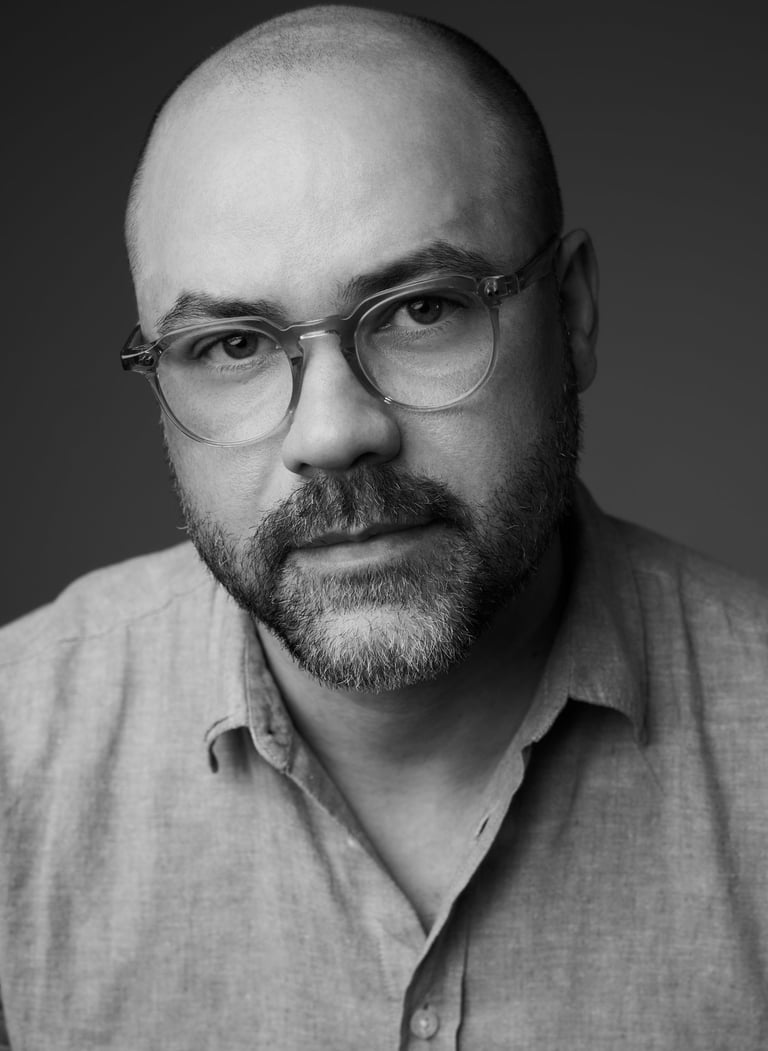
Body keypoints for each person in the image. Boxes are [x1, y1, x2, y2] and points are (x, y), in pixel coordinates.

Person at [0, 4, 766, 1048]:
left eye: (420, 309)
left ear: (572, 314)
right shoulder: (18, 756)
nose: (332, 433)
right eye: (232, 345)